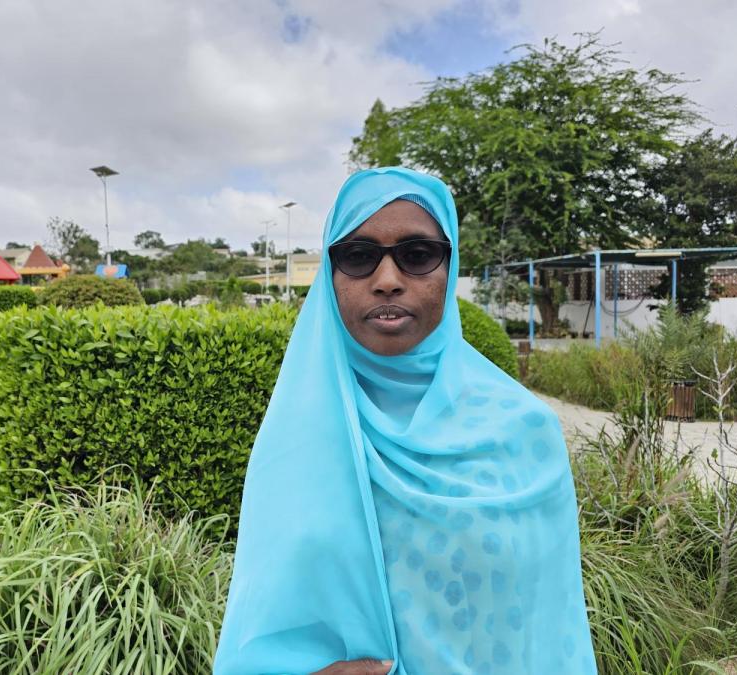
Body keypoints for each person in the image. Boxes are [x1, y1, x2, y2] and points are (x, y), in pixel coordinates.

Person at [214, 168, 596, 674]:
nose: (388, 281)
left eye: (417, 255)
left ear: (449, 267)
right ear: (330, 277)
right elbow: (259, 629)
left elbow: (551, 633)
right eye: (358, 256)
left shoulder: (523, 432)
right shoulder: (297, 437)